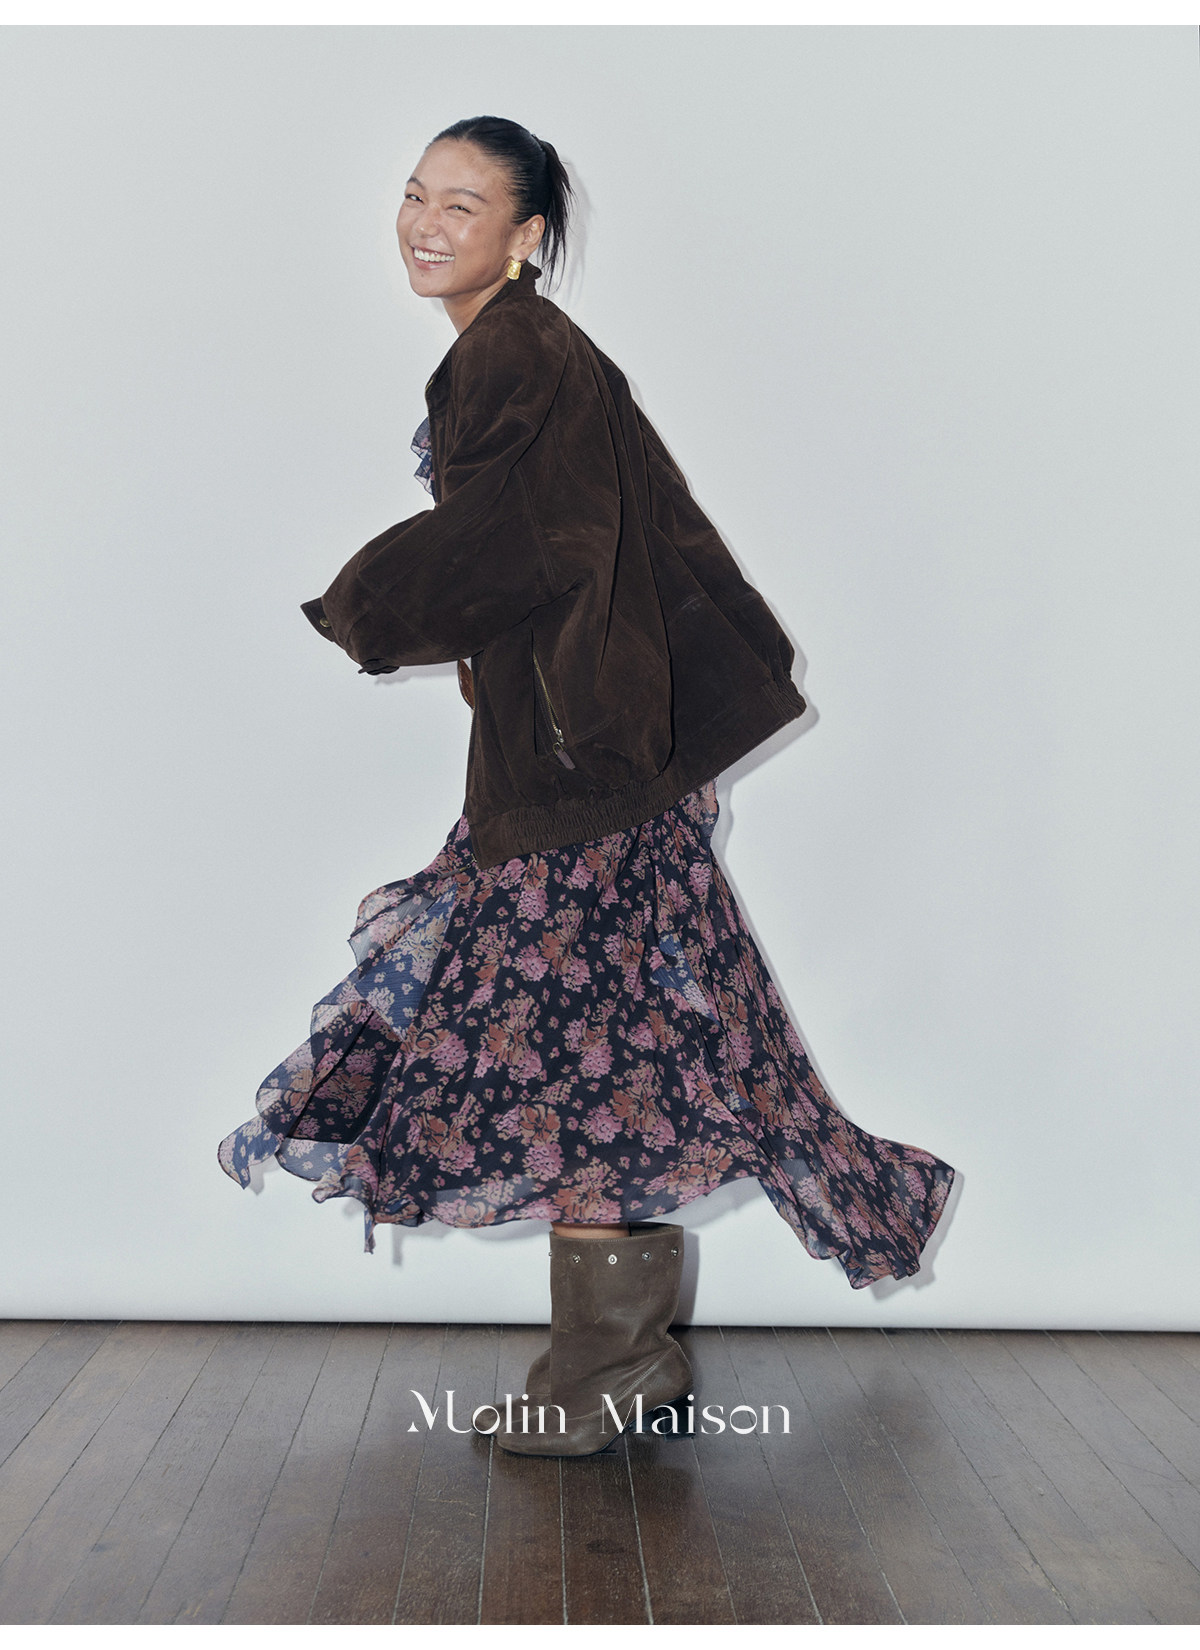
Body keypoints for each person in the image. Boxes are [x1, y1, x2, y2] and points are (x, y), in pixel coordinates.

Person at [217, 115, 956, 1458]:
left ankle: (608, 1365)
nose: (424, 224)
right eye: (414, 195)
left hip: (583, 772)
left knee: (574, 1054)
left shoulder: (517, 348)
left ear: (528, 234)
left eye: (462, 205)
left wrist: (367, 603)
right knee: (621, 1048)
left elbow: (534, 539)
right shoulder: (515, 350)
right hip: (588, 759)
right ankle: (623, 1358)